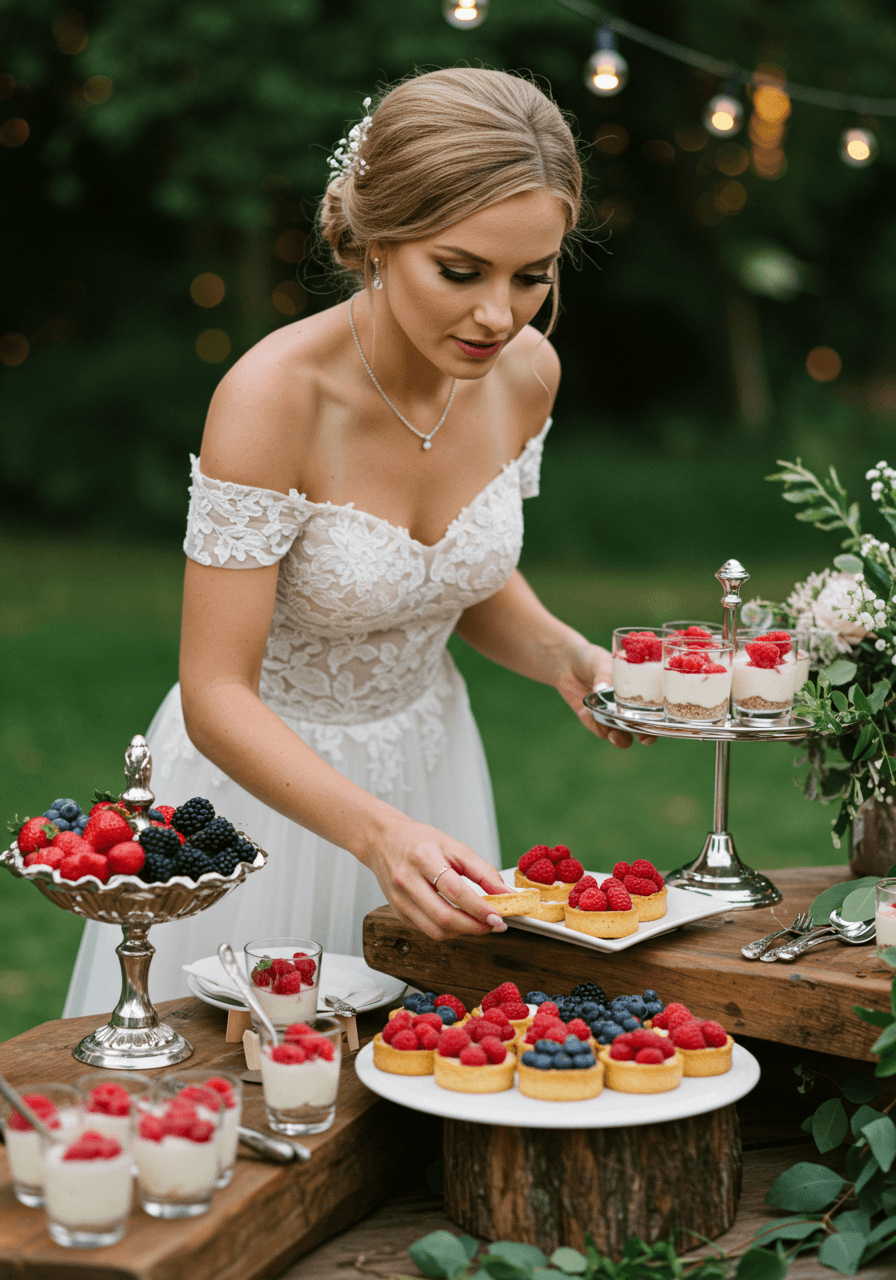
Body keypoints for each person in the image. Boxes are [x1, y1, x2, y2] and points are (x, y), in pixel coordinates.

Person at [63, 67, 650, 1019]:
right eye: (460, 272)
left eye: (532, 276)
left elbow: (458, 576)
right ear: (377, 242)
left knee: (430, 1079)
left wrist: (567, 656)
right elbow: (216, 694)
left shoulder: (526, 373)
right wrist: (376, 836)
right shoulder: (272, 400)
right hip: (258, 800)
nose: (499, 314)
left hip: (432, 771)